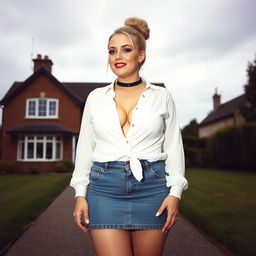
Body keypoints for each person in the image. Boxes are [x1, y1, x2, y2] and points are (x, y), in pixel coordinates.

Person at [70, 17, 188, 256]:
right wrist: (80, 194)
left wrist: (175, 193)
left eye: (126, 50)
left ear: (141, 55)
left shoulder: (162, 96)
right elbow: (85, 147)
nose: (118, 57)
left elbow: (174, 146)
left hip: (152, 188)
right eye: (112, 51)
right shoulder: (95, 98)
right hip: (103, 190)